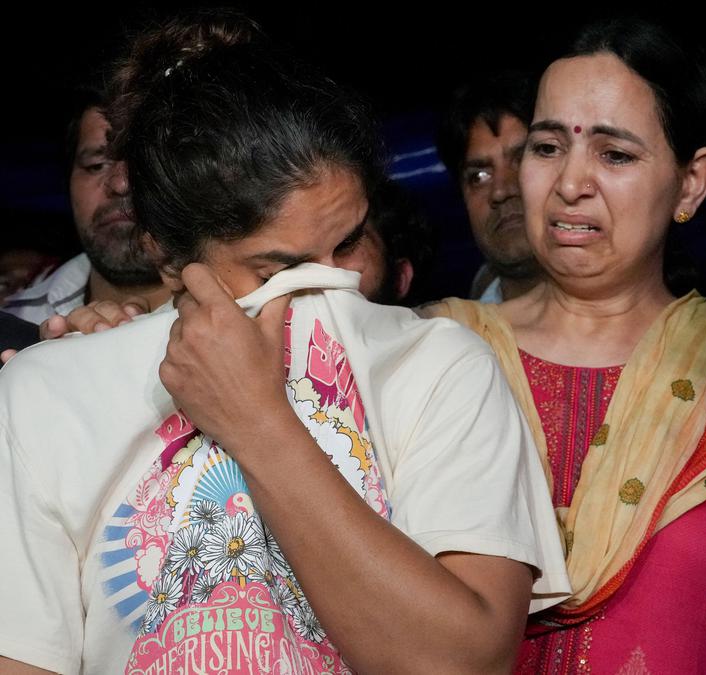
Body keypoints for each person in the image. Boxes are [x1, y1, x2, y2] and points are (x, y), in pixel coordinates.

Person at [0, 12, 566, 674]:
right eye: (277, 272)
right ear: (165, 255)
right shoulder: (48, 392)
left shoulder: (441, 366)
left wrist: (259, 423)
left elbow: (461, 664)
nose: (332, 285)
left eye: (349, 241)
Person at [426, 18, 706, 673]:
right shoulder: (437, 349)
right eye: (546, 148)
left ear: (691, 182)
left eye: (615, 154)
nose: (570, 183)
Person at [2, 86, 168, 326]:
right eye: (96, 165)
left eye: (145, 163)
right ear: (67, 183)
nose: (121, 183)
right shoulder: (15, 321)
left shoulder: (237, 318)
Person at [435, 72, 543, 302]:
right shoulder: (460, 333)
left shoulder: (635, 312)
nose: (501, 191)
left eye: (522, 158)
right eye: (479, 176)